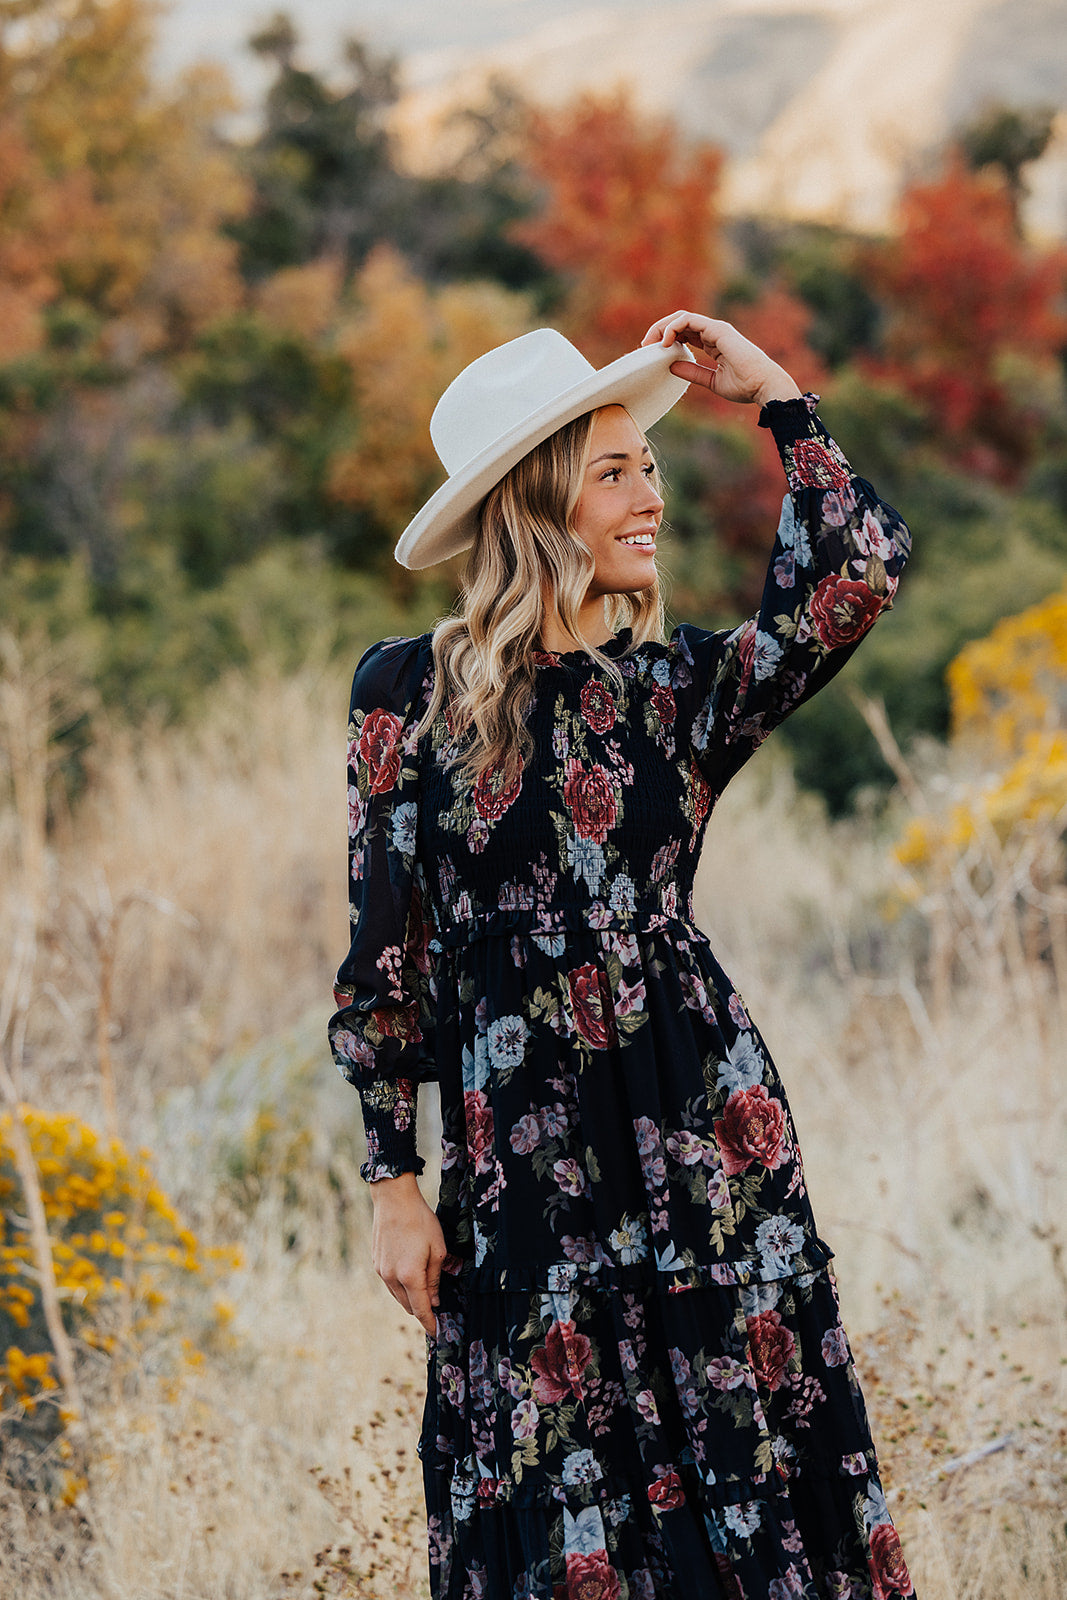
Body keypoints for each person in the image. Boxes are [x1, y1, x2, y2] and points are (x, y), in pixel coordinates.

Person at [328, 311, 917, 1600]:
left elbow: (856, 572)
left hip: (704, 1133)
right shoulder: (404, 697)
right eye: (614, 470)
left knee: (748, 1470)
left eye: (646, 466)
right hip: (524, 1163)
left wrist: (772, 394)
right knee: (553, 1488)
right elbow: (387, 963)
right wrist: (393, 1180)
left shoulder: (677, 691)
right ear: (538, 502)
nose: (650, 493)